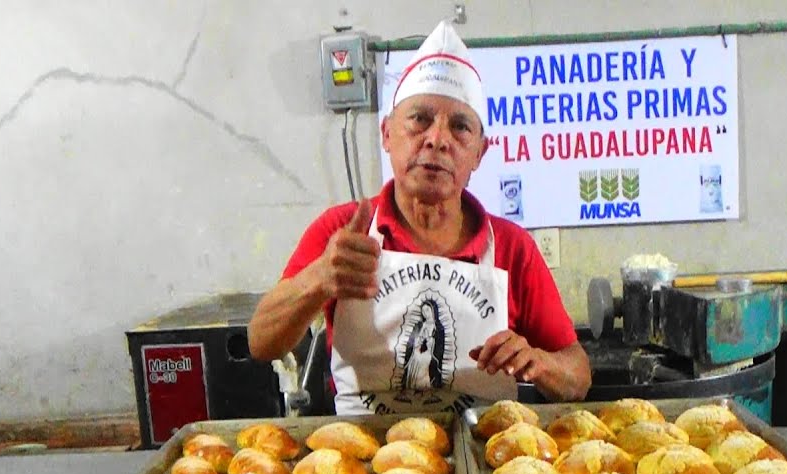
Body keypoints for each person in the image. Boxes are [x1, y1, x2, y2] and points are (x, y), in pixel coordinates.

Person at [249, 21, 590, 415]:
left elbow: (577, 376)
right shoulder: (341, 231)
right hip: (362, 460)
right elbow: (262, 342)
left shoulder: (513, 248)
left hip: (483, 457)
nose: (437, 139)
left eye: (460, 126)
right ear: (387, 134)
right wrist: (320, 278)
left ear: (480, 153)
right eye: (420, 119)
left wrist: (541, 363)